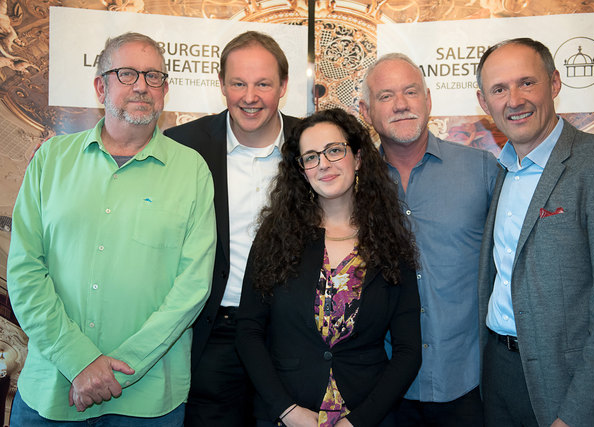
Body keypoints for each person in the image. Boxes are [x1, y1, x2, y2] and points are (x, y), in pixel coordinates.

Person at [6, 32, 215, 425]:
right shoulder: (51, 160)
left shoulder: (192, 172)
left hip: (148, 398)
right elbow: (24, 271)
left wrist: (117, 369)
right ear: (101, 85)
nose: (141, 85)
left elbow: (192, 289)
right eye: (127, 73)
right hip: (51, 391)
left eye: (153, 76)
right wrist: (79, 360)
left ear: (165, 89)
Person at [475, 37, 594, 427]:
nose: (514, 99)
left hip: (569, 388)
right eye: (499, 89)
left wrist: (579, 415)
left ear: (555, 83)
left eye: (526, 83)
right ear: (484, 104)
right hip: (499, 375)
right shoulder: (502, 170)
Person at [235, 108, 422, 427]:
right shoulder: (276, 236)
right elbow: (248, 331)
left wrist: (359, 421)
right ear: (301, 170)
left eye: (334, 150)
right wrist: (287, 411)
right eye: (310, 157)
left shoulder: (390, 241)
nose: (324, 164)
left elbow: (407, 351)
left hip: (367, 415)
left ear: (358, 157)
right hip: (287, 416)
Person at [164, 31, 300, 426]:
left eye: (263, 84)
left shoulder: (312, 144)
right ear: (221, 84)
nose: (249, 96)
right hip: (214, 334)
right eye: (238, 83)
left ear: (284, 87)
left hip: (290, 334)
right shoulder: (183, 146)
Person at [359, 53, 498, 426]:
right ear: (365, 110)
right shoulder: (351, 186)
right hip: (384, 390)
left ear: (429, 99)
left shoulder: (481, 170)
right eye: (386, 96)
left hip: (469, 384)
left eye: (411, 92)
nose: (402, 104)